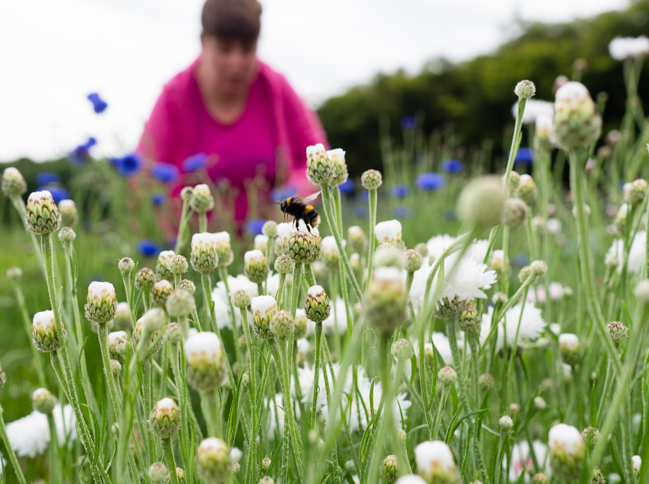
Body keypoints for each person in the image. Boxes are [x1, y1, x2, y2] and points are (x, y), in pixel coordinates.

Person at [138, 0, 327, 223]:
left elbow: (318, 157)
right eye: (225, 49)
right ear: (203, 42)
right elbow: (142, 179)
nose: (236, 62)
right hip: (193, 245)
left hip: (274, 242)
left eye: (247, 49)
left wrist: (288, 203)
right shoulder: (174, 97)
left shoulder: (276, 88)